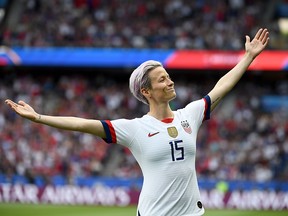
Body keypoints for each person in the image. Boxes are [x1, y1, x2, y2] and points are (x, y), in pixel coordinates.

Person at [5, 28, 269, 216]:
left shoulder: (189, 115)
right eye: (162, 79)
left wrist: (248, 58)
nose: (170, 81)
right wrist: (39, 117)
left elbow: (221, 87)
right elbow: (82, 123)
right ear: (146, 91)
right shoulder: (134, 129)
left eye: (168, 76)